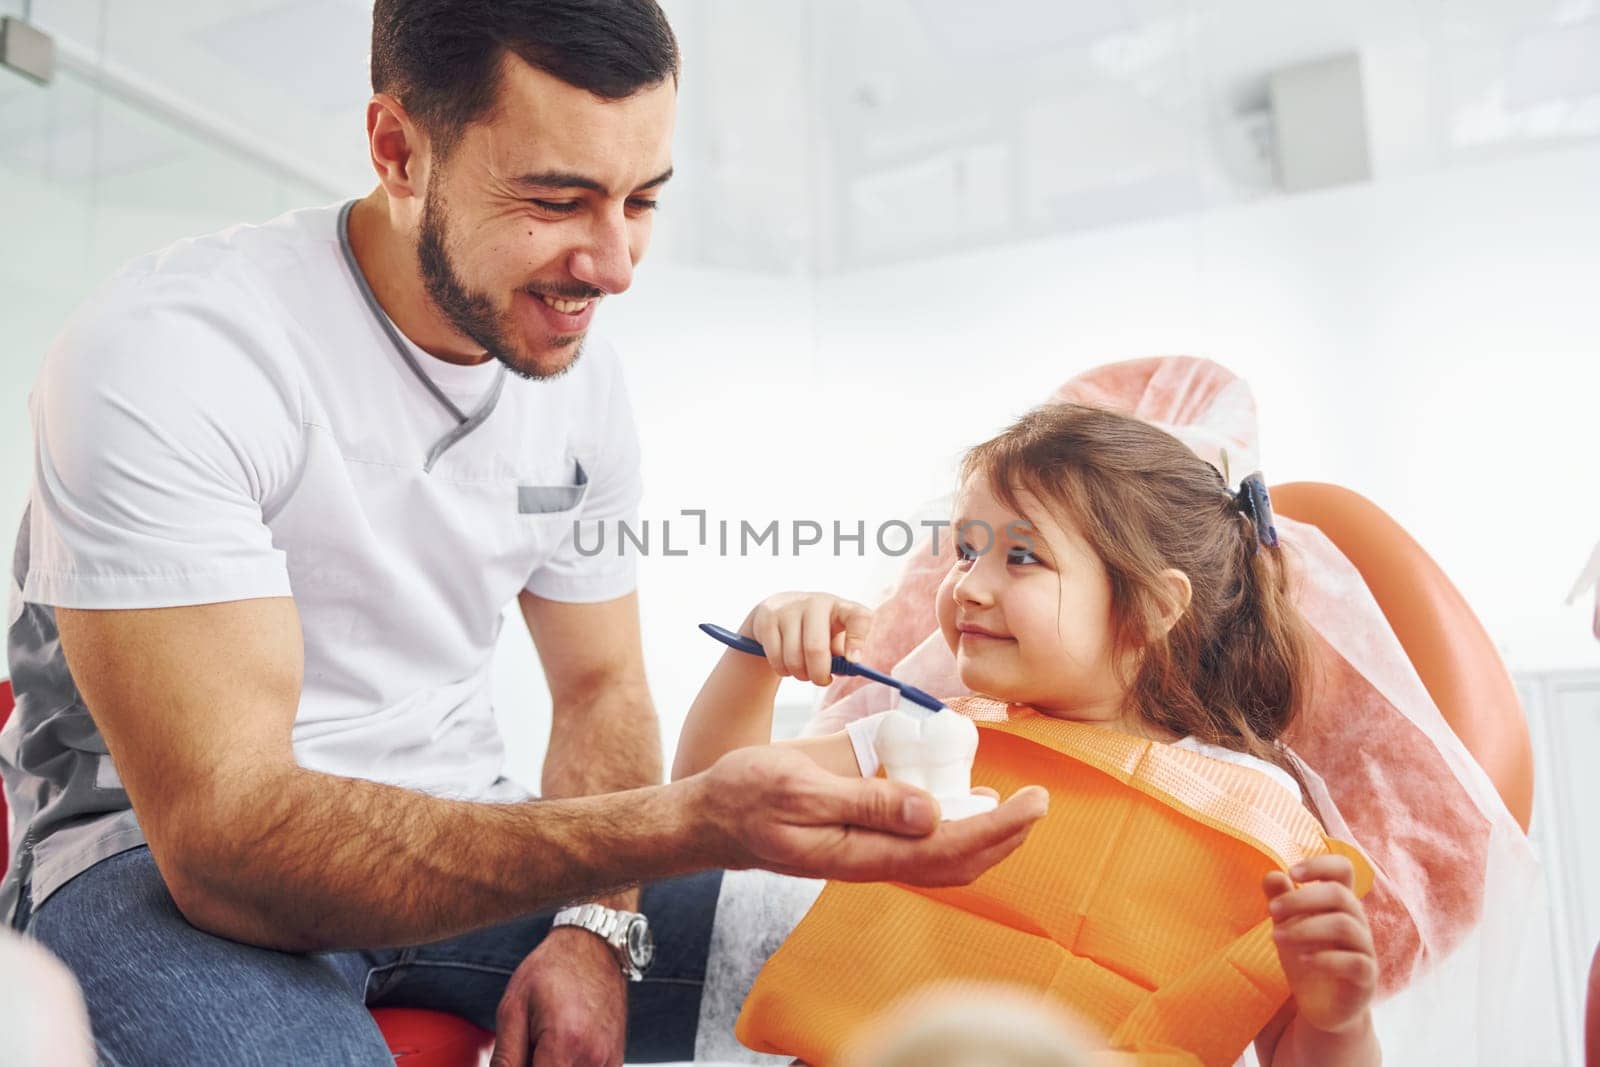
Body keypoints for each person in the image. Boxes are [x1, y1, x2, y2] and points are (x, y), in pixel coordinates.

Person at [0, 2, 1045, 1064]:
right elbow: (227, 847)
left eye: (640, 201)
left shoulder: (577, 379)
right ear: (398, 151)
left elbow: (600, 688)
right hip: (159, 872)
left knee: (930, 980)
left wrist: (595, 922)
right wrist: (684, 820)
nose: (615, 263)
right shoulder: (176, 355)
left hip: (467, 828)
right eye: (558, 200)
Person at [674, 403, 1381, 1066]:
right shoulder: (930, 737)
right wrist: (754, 654)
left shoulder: (1260, 817)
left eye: (1021, 558)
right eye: (965, 552)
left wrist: (1335, 1018)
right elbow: (707, 803)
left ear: (1157, 605)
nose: (967, 587)